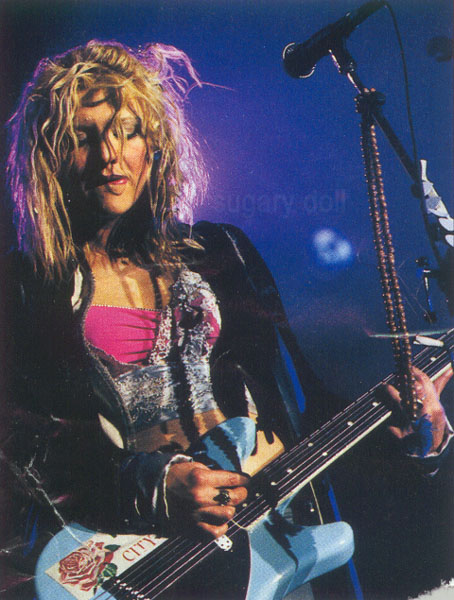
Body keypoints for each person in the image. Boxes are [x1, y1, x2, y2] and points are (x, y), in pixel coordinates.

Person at [2, 40, 452, 599]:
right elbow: (22, 455)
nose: (110, 156)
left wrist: (413, 439)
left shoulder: (221, 252)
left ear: (155, 143)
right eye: (82, 137)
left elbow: (298, 406)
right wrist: (153, 484)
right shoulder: (24, 288)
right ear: (49, 158)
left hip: (263, 546)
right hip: (128, 562)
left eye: (127, 131)